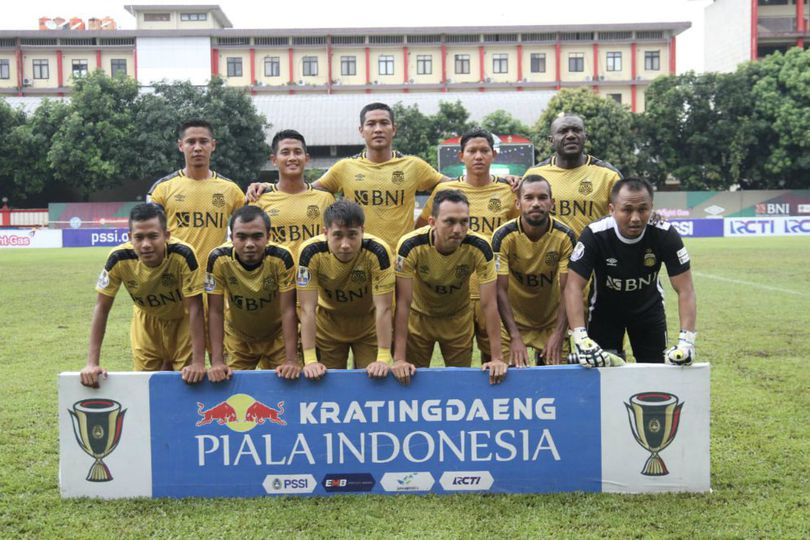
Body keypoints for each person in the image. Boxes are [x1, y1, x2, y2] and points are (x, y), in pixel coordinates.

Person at [248, 103, 447, 251]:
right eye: (371, 124)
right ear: (362, 131)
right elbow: (307, 189)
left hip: (401, 255)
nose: (377, 129)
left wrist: (422, 222)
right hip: (357, 255)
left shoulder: (413, 165)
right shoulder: (345, 167)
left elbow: (449, 186)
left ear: (393, 129)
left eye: (384, 123)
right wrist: (269, 186)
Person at [564, 178, 697, 366]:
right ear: (611, 209)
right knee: (603, 373)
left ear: (651, 207)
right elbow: (573, 287)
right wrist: (580, 337)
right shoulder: (594, 234)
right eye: (627, 210)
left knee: (654, 371)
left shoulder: (665, 234)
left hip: (648, 311)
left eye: (642, 210)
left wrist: (687, 341)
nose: (635, 218)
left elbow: (686, 289)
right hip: (605, 312)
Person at [416, 128, 518, 363]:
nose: (478, 156)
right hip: (453, 292)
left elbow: (513, 236)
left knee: (493, 360)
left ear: (494, 154)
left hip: (490, 290)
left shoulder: (508, 191)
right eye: (472, 151)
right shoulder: (444, 191)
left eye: (484, 151)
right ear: (461, 156)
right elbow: (421, 229)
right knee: (453, 366)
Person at [80, 203, 206, 387]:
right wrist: (91, 363)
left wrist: (198, 362)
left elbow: (195, 307)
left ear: (166, 235)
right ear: (130, 237)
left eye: (153, 236)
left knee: (188, 382)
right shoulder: (118, 258)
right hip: (146, 322)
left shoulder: (184, 255)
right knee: (145, 384)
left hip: (183, 321)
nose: (146, 244)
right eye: (139, 237)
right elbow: (102, 307)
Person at [393, 189, 507, 385]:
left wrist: (497, 357)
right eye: (449, 221)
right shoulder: (410, 246)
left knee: (459, 383)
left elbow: (489, 304)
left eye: (464, 222)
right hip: (419, 319)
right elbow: (403, 303)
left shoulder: (481, 246)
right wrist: (399, 359)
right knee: (410, 383)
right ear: (432, 222)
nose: (457, 229)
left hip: (458, 320)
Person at [296, 200, 394, 380]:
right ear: (325, 233)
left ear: (363, 231)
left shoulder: (379, 252)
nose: (345, 244)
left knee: (374, 385)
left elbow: (384, 308)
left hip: (369, 328)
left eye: (352, 235)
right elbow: (307, 309)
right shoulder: (309, 252)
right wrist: (310, 360)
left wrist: (383, 357)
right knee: (326, 387)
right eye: (338, 235)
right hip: (327, 329)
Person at [205, 206, 300, 382]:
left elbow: (288, 310)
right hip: (238, 338)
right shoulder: (218, 259)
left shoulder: (282, 258)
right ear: (231, 237)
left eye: (257, 236)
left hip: (277, 337)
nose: (249, 244)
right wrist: (217, 361)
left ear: (268, 237)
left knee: (289, 388)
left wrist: (291, 359)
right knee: (231, 390)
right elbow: (215, 311)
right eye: (241, 237)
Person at [492, 175, 576, 366]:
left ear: (552, 203)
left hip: (552, 322)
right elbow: (499, 290)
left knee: (556, 384)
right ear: (518, 203)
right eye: (529, 198)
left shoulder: (565, 236)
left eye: (542, 197)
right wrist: (514, 336)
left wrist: (558, 333)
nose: (536, 203)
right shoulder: (502, 237)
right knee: (508, 383)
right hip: (512, 322)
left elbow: (568, 290)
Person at [147, 119, 245, 264]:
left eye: (203, 141)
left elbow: (249, 230)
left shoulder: (231, 190)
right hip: (177, 278)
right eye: (191, 142)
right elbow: (150, 234)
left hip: (215, 278)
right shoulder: (162, 188)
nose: (197, 147)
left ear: (213, 145)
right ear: (181, 146)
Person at [523, 114, 621, 238]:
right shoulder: (535, 175)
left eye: (576, 130)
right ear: (551, 140)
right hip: (551, 255)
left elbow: (623, 217)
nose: (570, 135)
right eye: (563, 131)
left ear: (585, 137)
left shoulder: (609, 175)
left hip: (594, 255)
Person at [251, 130, 335, 259]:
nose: (292, 158)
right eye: (285, 152)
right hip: (277, 277)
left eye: (297, 152)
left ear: (306, 158)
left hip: (316, 277)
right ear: (274, 160)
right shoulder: (259, 199)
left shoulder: (325, 198)